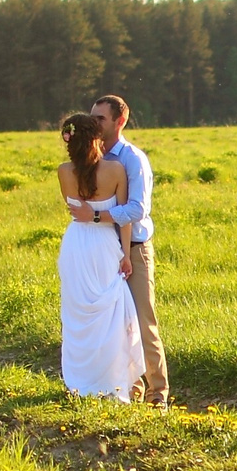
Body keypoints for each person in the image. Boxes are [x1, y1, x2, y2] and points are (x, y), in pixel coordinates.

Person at [69, 92, 169, 406]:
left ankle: (158, 396)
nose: (93, 123)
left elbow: (137, 209)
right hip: (102, 252)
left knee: (142, 322)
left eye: (100, 118)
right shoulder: (92, 160)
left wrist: (97, 216)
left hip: (135, 250)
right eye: (92, 117)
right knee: (114, 325)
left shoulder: (132, 159)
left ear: (119, 121)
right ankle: (127, 389)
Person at [53, 112, 143, 400]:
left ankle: (81, 382)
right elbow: (123, 219)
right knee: (108, 317)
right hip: (104, 245)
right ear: (96, 139)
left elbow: (76, 208)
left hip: (76, 244)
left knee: (78, 313)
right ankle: (111, 382)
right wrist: (126, 255)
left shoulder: (64, 171)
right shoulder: (116, 170)